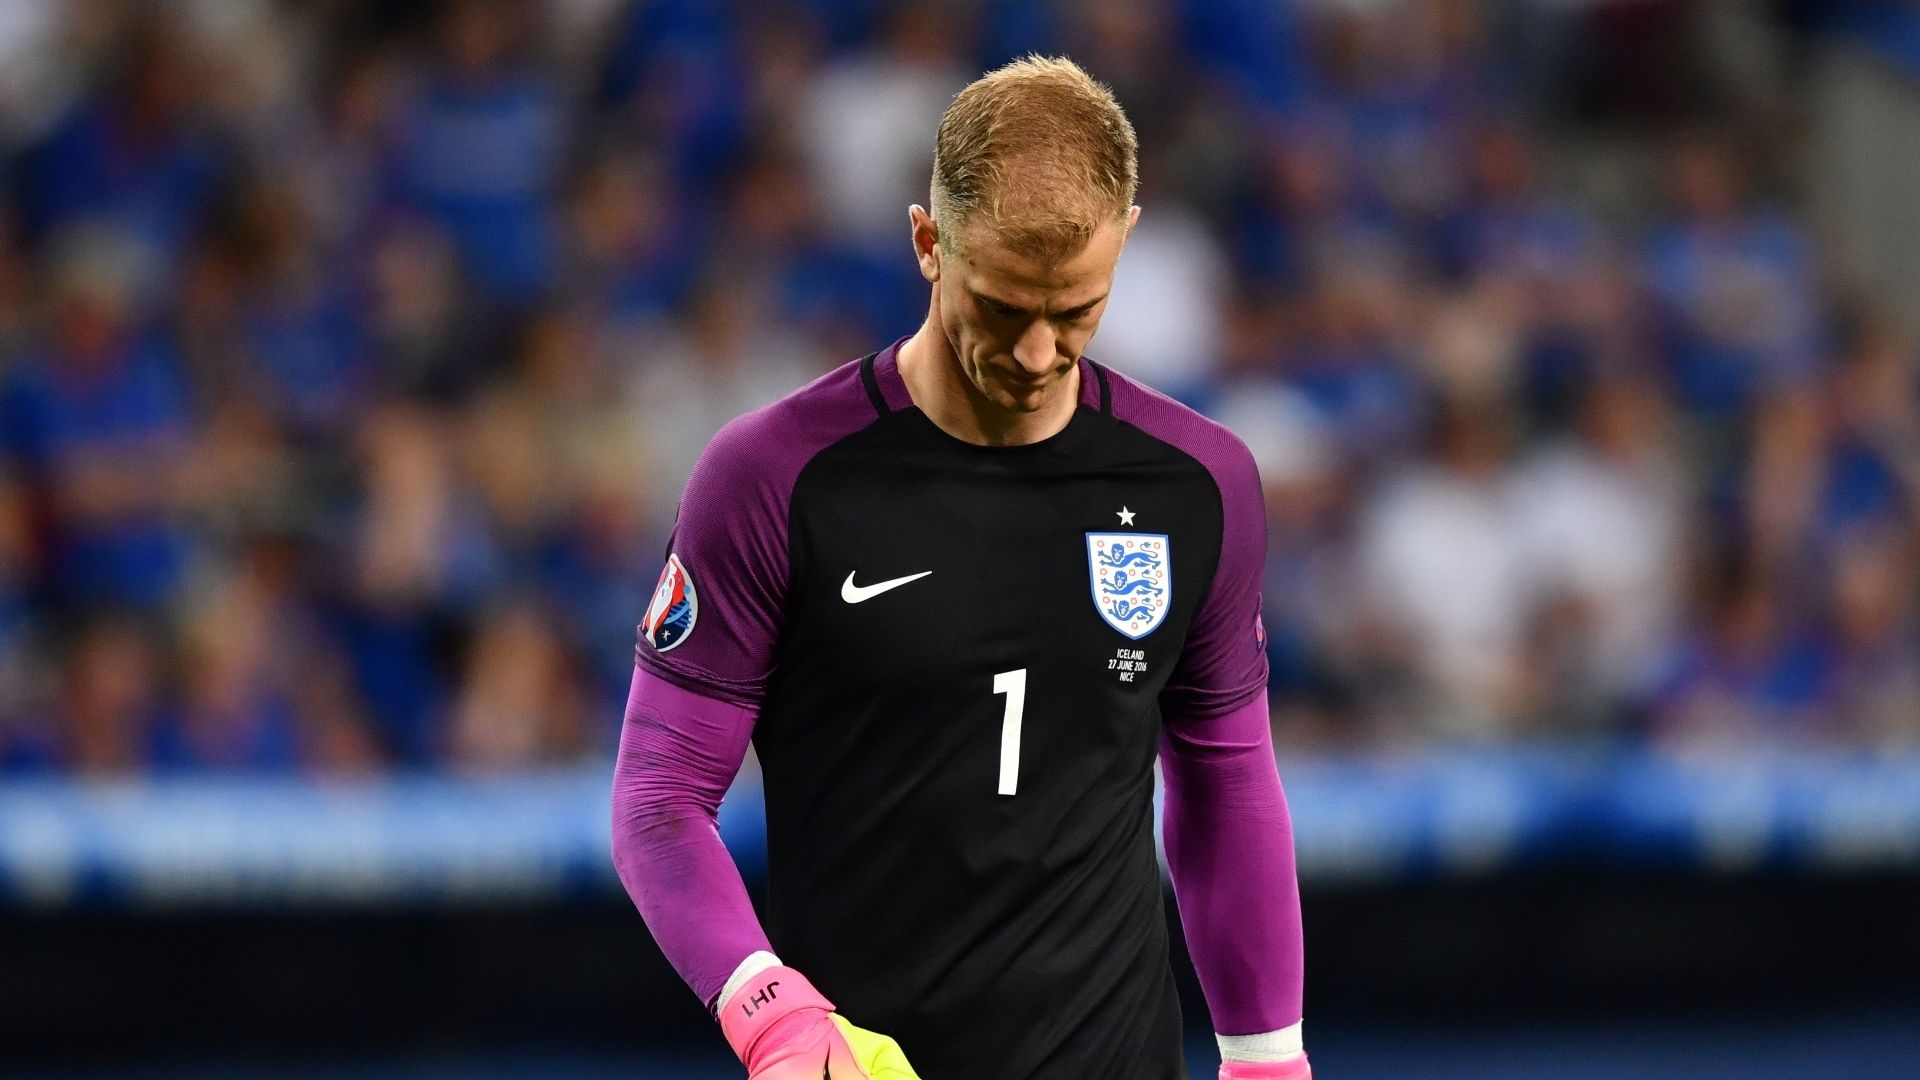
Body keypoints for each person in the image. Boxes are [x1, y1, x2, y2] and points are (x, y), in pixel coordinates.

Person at [611, 57, 1309, 1080]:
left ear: (1126, 239)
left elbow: (1225, 780)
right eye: (1003, 307)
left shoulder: (1198, 486)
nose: (1036, 353)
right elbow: (659, 798)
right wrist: (769, 1011)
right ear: (928, 243)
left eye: (1075, 311)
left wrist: (1268, 1058)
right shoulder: (772, 478)